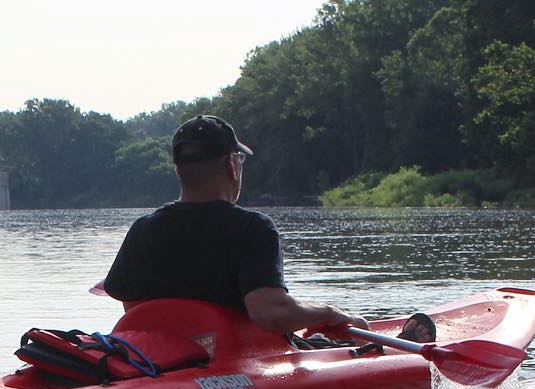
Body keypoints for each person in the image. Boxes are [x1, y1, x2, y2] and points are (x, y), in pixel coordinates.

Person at [100, 115, 367, 338]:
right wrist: (329, 313)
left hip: (159, 364)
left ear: (178, 170)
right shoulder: (253, 229)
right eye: (240, 158)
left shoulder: (143, 229)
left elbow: (134, 310)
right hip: (238, 361)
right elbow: (270, 313)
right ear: (231, 165)